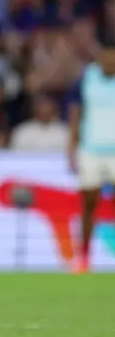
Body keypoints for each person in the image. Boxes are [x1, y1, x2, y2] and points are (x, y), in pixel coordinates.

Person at [68, 38, 115, 273]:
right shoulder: (87, 78)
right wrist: (71, 147)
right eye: (106, 57)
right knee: (88, 205)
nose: (109, 62)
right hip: (91, 151)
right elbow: (76, 113)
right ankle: (83, 259)